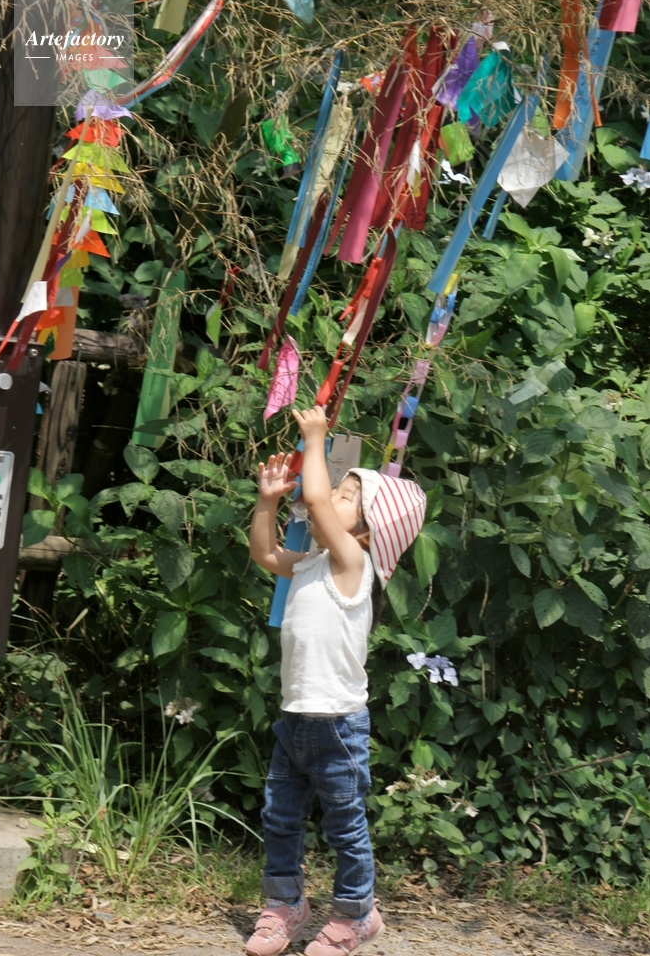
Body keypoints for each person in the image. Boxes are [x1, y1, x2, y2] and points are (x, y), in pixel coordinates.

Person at [247, 405, 426, 956]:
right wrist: (268, 501)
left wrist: (317, 438)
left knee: (344, 826)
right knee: (280, 818)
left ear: (368, 531)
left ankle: (357, 914)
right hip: (296, 717)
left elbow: (319, 506)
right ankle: (284, 904)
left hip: (339, 726)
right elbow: (264, 552)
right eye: (339, 491)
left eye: (348, 496)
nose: (331, 499)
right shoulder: (311, 563)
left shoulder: (354, 563)